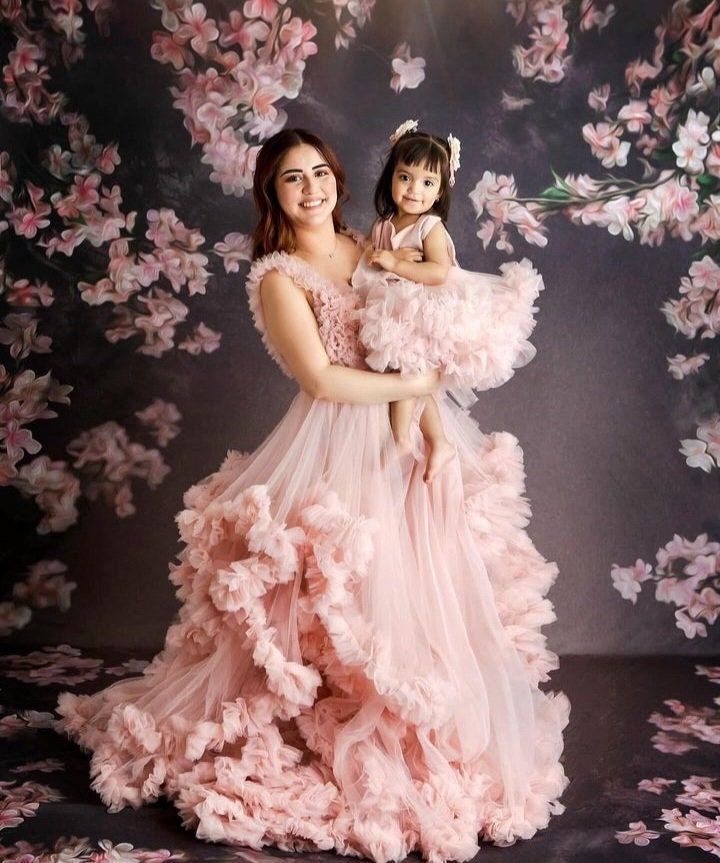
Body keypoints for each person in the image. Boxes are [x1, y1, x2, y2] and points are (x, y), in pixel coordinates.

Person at [54, 127, 570, 863]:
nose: (312, 189)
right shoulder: (279, 274)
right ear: (273, 193)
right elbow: (322, 379)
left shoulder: (371, 245)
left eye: (320, 173)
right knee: (332, 583)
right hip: (334, 434)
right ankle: (313, 727)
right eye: (293, 179)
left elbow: (412, 332)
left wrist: (433, 428)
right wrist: (410, 388)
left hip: (401, 421)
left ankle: (417, 720)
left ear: (338, 177)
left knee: (420, 579)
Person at [353, 119, 545, 484]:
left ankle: (403, 439)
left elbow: (439, 272)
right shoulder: (383, 224)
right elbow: (371, 260)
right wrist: (380, 259)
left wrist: (396, 263)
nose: (414, 190)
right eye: (405, 177)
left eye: (428, 183)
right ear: (390, 177)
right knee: (409, 375)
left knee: (408, 371)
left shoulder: (429, 227)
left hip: (427, 308)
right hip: (395, 310)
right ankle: (437, 441)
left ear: (440, 191)